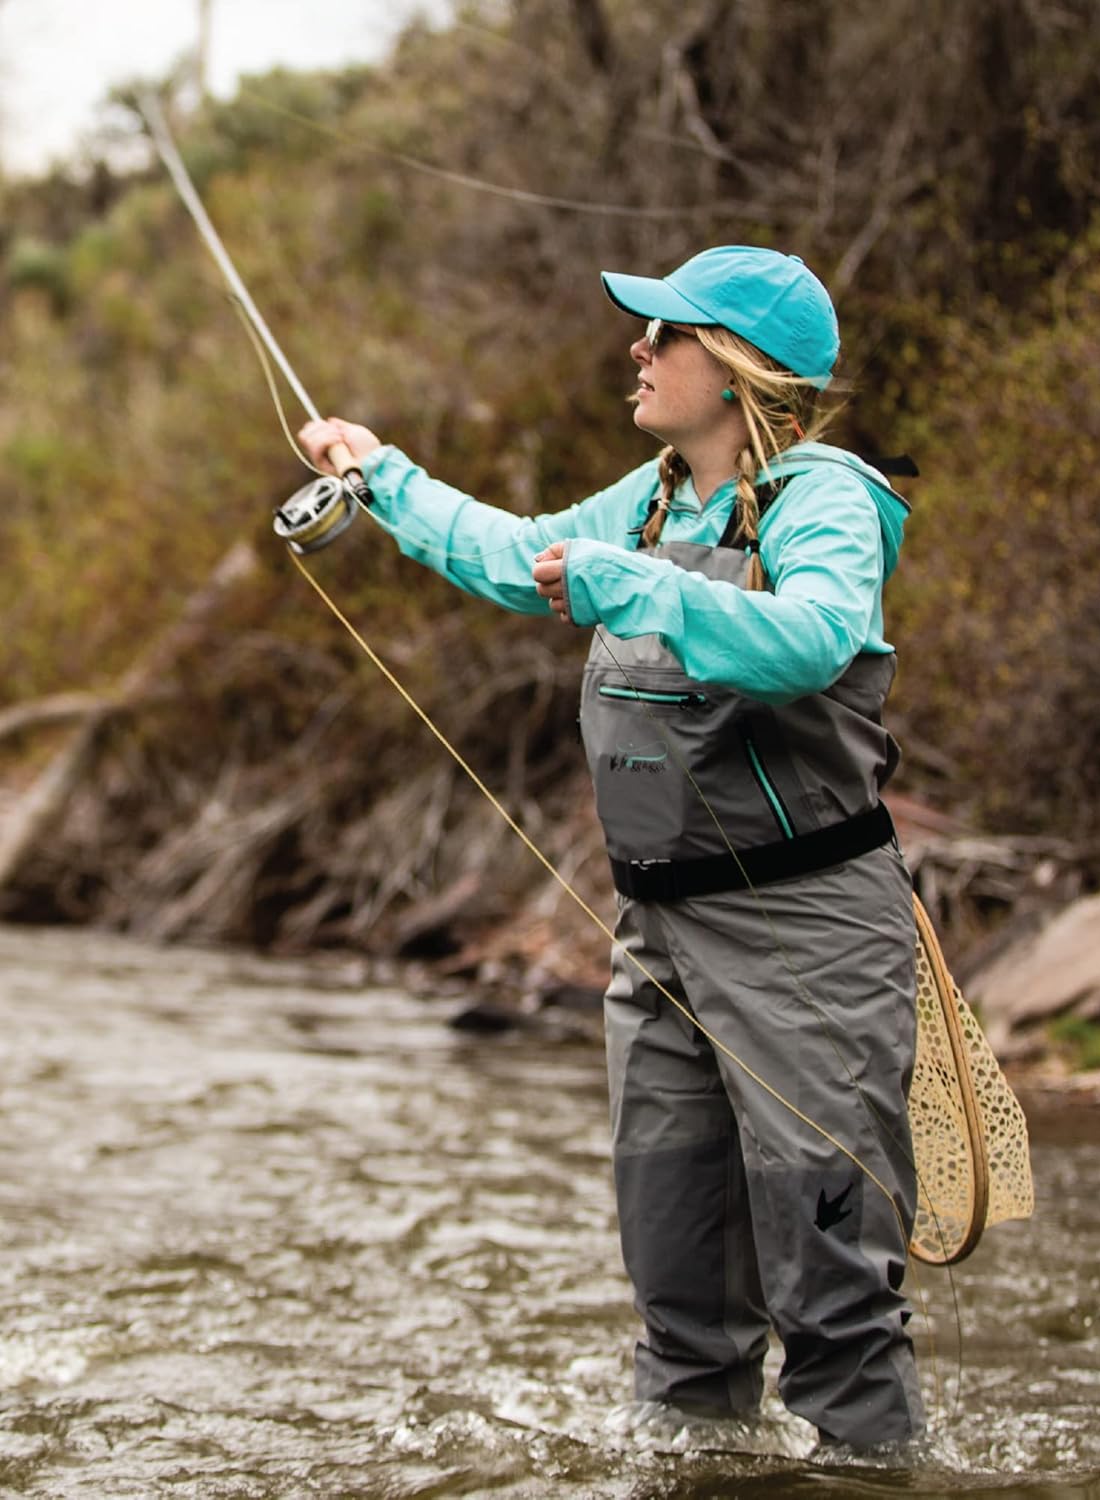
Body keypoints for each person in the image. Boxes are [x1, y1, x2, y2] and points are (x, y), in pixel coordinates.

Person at [298, 245, 923, 1449]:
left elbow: (816, 635)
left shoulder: (825, 495)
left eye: (664, 335)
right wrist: (379, 473)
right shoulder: (651, 499)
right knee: (681, 1310)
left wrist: (627, 586)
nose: (636, 350)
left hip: (810, 942)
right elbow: (506, 548)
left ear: (739, 371)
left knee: (837, 1306)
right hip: (659, 944)